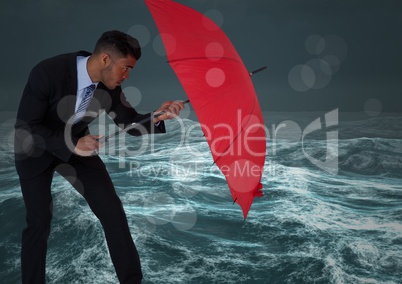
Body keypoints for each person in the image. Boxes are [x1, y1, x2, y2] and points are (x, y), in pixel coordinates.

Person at [14, 30, 184, 284]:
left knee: (113, 213)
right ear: (105, 59)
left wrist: (158, 115)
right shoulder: (47, 72)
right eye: (125, 68)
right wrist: (72, 143)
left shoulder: (111, 87)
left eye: (131, 71)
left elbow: (129, 122)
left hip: (79, 148)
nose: (126, 76)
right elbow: (27, 127)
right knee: (39, 222)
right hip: (34, 150)